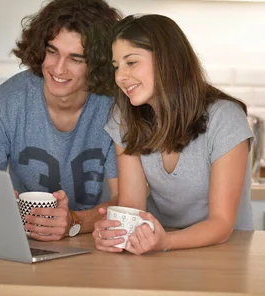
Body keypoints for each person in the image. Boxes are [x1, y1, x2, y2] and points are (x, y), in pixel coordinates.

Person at [93, 14, 254, 255]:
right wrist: (115, 230)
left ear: (167, 60)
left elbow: (221, 225)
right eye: (116, 66)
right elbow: (132, 205)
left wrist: (164, 241)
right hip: (157, 251)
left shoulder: (225, 118)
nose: (120, 76)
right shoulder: (125, 117)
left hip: (224, 252)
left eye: (132, 62)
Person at [0, 0, 122, 241]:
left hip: (96, 242)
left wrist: (75, 221)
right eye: (52, 52)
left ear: (98, 63)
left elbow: (126, 201)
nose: (58, 69)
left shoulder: (116, 107)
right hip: (23, 241)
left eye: (75, 58)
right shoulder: (6, 102)